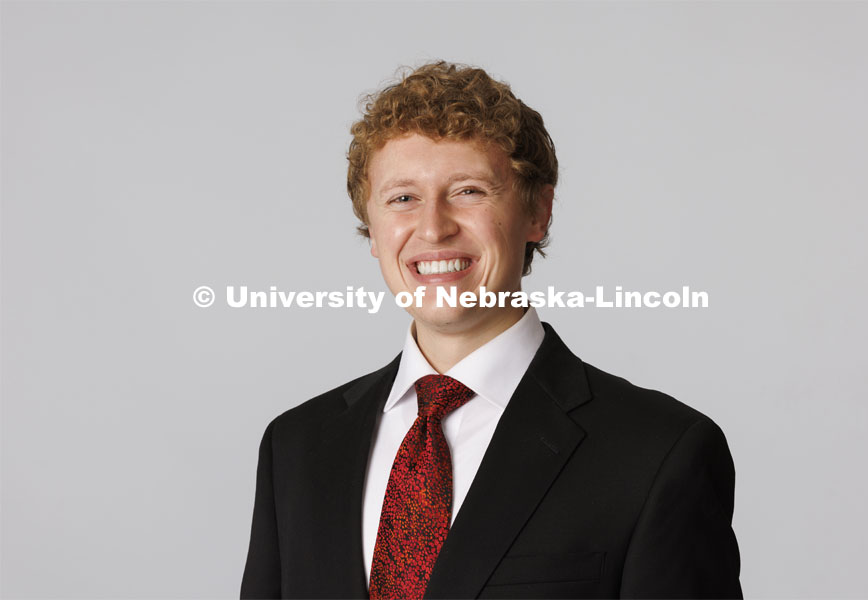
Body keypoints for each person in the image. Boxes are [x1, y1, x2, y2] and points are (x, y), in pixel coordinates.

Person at [240, 60, 742, 599]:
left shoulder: (658, 452)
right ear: (372, 228)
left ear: (538, 213)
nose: (433, 227)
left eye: (469, 191)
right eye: (402, 198)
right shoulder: (296, 448)